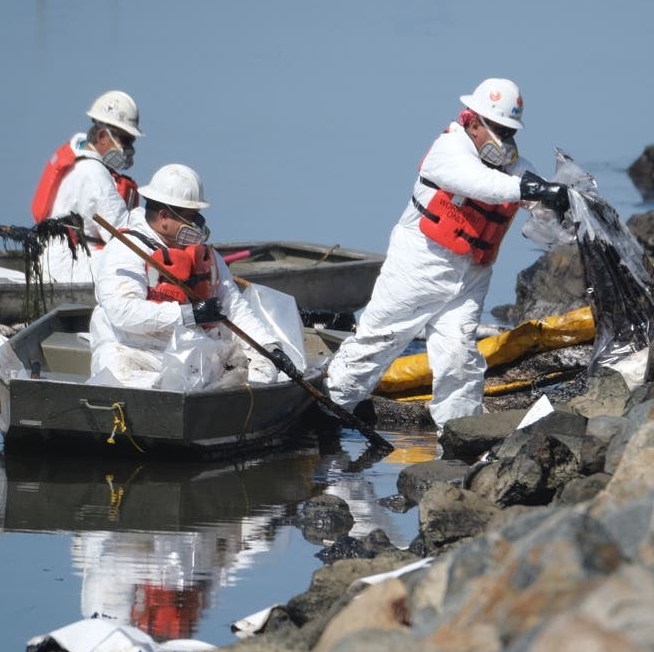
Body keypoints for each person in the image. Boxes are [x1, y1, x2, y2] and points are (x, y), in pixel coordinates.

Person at [325, 78, 570, 431]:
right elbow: (480, 184)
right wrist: (530, 187)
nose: (506, 141)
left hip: (470, 275)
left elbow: (534, 199)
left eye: (510, 132)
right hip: (419, 265)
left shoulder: (515, 168)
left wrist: (560, 201)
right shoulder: (448, 150)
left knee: (459, 358)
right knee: (376, 344)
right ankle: (328, 413)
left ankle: (457, 437)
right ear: (472, 122)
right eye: (499, 130)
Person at [89, 163, 299, 389]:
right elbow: (122, 311)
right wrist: (188, 315)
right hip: (138, 352)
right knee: (118, 369)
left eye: (199, 218)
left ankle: (208, 398)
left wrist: (268, 346)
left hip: (195, 353)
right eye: (190, 218)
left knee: (264, 368)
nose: (197, 226)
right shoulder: (125, 250)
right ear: (164, 217)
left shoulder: (208, 256)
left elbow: (234, 307)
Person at [31, 90, 144, 284]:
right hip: (72, 268)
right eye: (125, 141)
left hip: (49, 261)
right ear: (102, 136)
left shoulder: (76, 158)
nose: (129, 150)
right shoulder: (95, 174)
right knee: (137, 264)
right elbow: (121, 234)